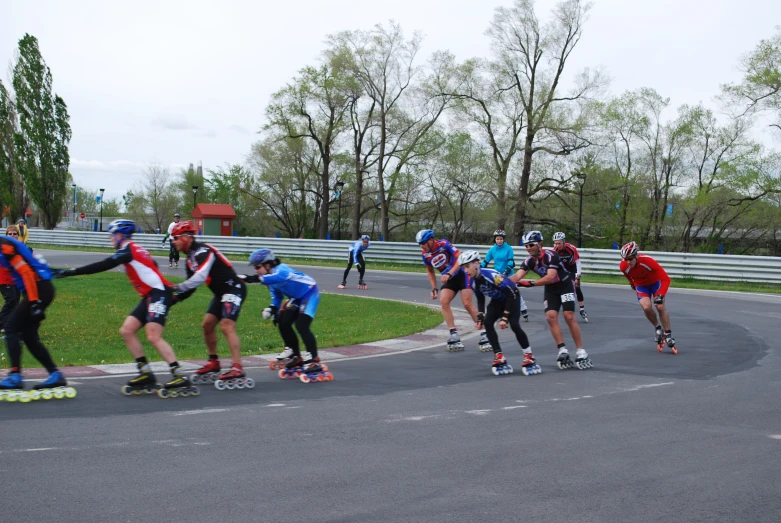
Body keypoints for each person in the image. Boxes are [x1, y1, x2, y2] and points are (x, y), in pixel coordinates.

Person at [54, 219, 193, 396]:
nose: (111, 239)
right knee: (127, 330)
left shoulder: (127, 249)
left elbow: (104, 265)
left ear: (120, 235)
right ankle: (145, 373)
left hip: (158, 293)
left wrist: (71, 272)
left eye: (112, 235)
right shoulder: (135, 248)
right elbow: (153, 265)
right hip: (151, 294)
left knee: (153, 335)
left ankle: (178, 374)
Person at [170, 220, 248, 383]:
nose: (173, 241)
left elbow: (200, 277)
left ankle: (237, 367)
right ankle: (213, 361)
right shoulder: (190, 259)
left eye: (175, 238)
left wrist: (176, 287)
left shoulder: (202, 252)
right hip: (220, 294)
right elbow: (190, 287)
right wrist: (173, 299)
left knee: (226, 326)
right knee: (207, 325)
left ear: (186, 237)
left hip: (234, 288)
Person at [242, 248, 332, 382]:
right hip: (296, 298)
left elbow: (280, 277)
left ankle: (314, 360)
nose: (256, 270)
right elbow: (277, 298)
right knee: (282, 320)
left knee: (302, 325)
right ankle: (296, 356)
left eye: (258, 267)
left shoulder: (281, 269)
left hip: (309, 293)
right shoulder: (270, 281)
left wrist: (253, 279)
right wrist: (272, 309)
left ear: (268, 265)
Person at [510, 231, 593, 370]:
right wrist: (500, 281)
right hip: (551, 289)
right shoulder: (529, 261)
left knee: (569, 316)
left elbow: (550, 277)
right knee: (550, 317)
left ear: (540, 244)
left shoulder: (551, 255)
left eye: (531, 245)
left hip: (565, 285)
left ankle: (581, 351)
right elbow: (517, 276)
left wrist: (531, 283)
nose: (528, 248)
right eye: (526, 246)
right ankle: (562, 349)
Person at [0, 232, 67, 393]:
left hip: (37, 290)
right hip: (37, 289)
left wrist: (35, 302)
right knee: (29, 336)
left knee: (11, 328)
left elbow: (26, 273)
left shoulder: (5, 246)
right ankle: (55, 374)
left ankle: (15, 376)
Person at [459, 250, 540, 376]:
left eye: (467, 266)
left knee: (514, 324)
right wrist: (480, 315)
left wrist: (505, 317)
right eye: (463, 268)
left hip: (512, 297)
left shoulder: (491, 276)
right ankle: (499, 355)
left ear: (476, 263)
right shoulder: (472, 281)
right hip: (497, 300)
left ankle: (529, 355)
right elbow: (480, 297)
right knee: (487, 322)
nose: (466, 271)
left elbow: (510, 294)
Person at [416, 229, 485, 352]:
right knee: (443, 301)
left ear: (431, 240)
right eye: (420, 244)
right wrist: (434, 288)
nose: (422, 246)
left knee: (467, 303)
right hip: (449, 278)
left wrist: (449, 273)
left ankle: (485, 332)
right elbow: (430, 271)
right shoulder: (425, 255)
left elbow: (460, 258)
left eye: (423, 243)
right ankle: (454, 334)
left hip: (462, 274)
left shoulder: (444, 244)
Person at [618, 241, 677, 354]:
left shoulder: (648, 261)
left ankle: (668, 333)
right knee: (646, 307)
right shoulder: (623, 266)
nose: (628, 262)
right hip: (641, 285)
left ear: (636, 255)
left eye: (630, 259)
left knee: (659, 306)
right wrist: (632, 283)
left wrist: (661, 294)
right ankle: (658, 328)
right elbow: (628, 275)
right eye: (626, 259)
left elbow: (666, 279)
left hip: (655, 284)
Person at [481, 229, 528, 321]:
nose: (499, 241)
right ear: (495, 239)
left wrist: (507, 271)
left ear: (504, 239)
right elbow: (486, 261)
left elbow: (511, 261)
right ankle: (497, 312)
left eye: (501, 239)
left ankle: (523, 308)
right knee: (498, 293)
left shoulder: (508, 248)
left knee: (513, 290)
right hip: (497, 275)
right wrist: (479, 269)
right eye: (497, 239)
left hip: (508, 273)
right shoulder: (492, 249)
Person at [552, 232, 588, 322]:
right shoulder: (555, 250)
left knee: (576, 286)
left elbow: (578, 262)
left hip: (572, 268)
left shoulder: (571, 248)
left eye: (559, 243)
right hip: (562, 269)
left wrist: (577, 276)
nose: (557, 245)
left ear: (564, 242)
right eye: (555, 243)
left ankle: (582, 309)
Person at [0, 226, 22, 337]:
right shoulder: (3, 247)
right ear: (6, 235)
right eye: (10, 234)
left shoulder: (19, 247)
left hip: (16, 280)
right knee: (11, 300)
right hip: (4, 278)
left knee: (15, 302)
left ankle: (9, 326)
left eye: (15, 234)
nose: (13, 235)